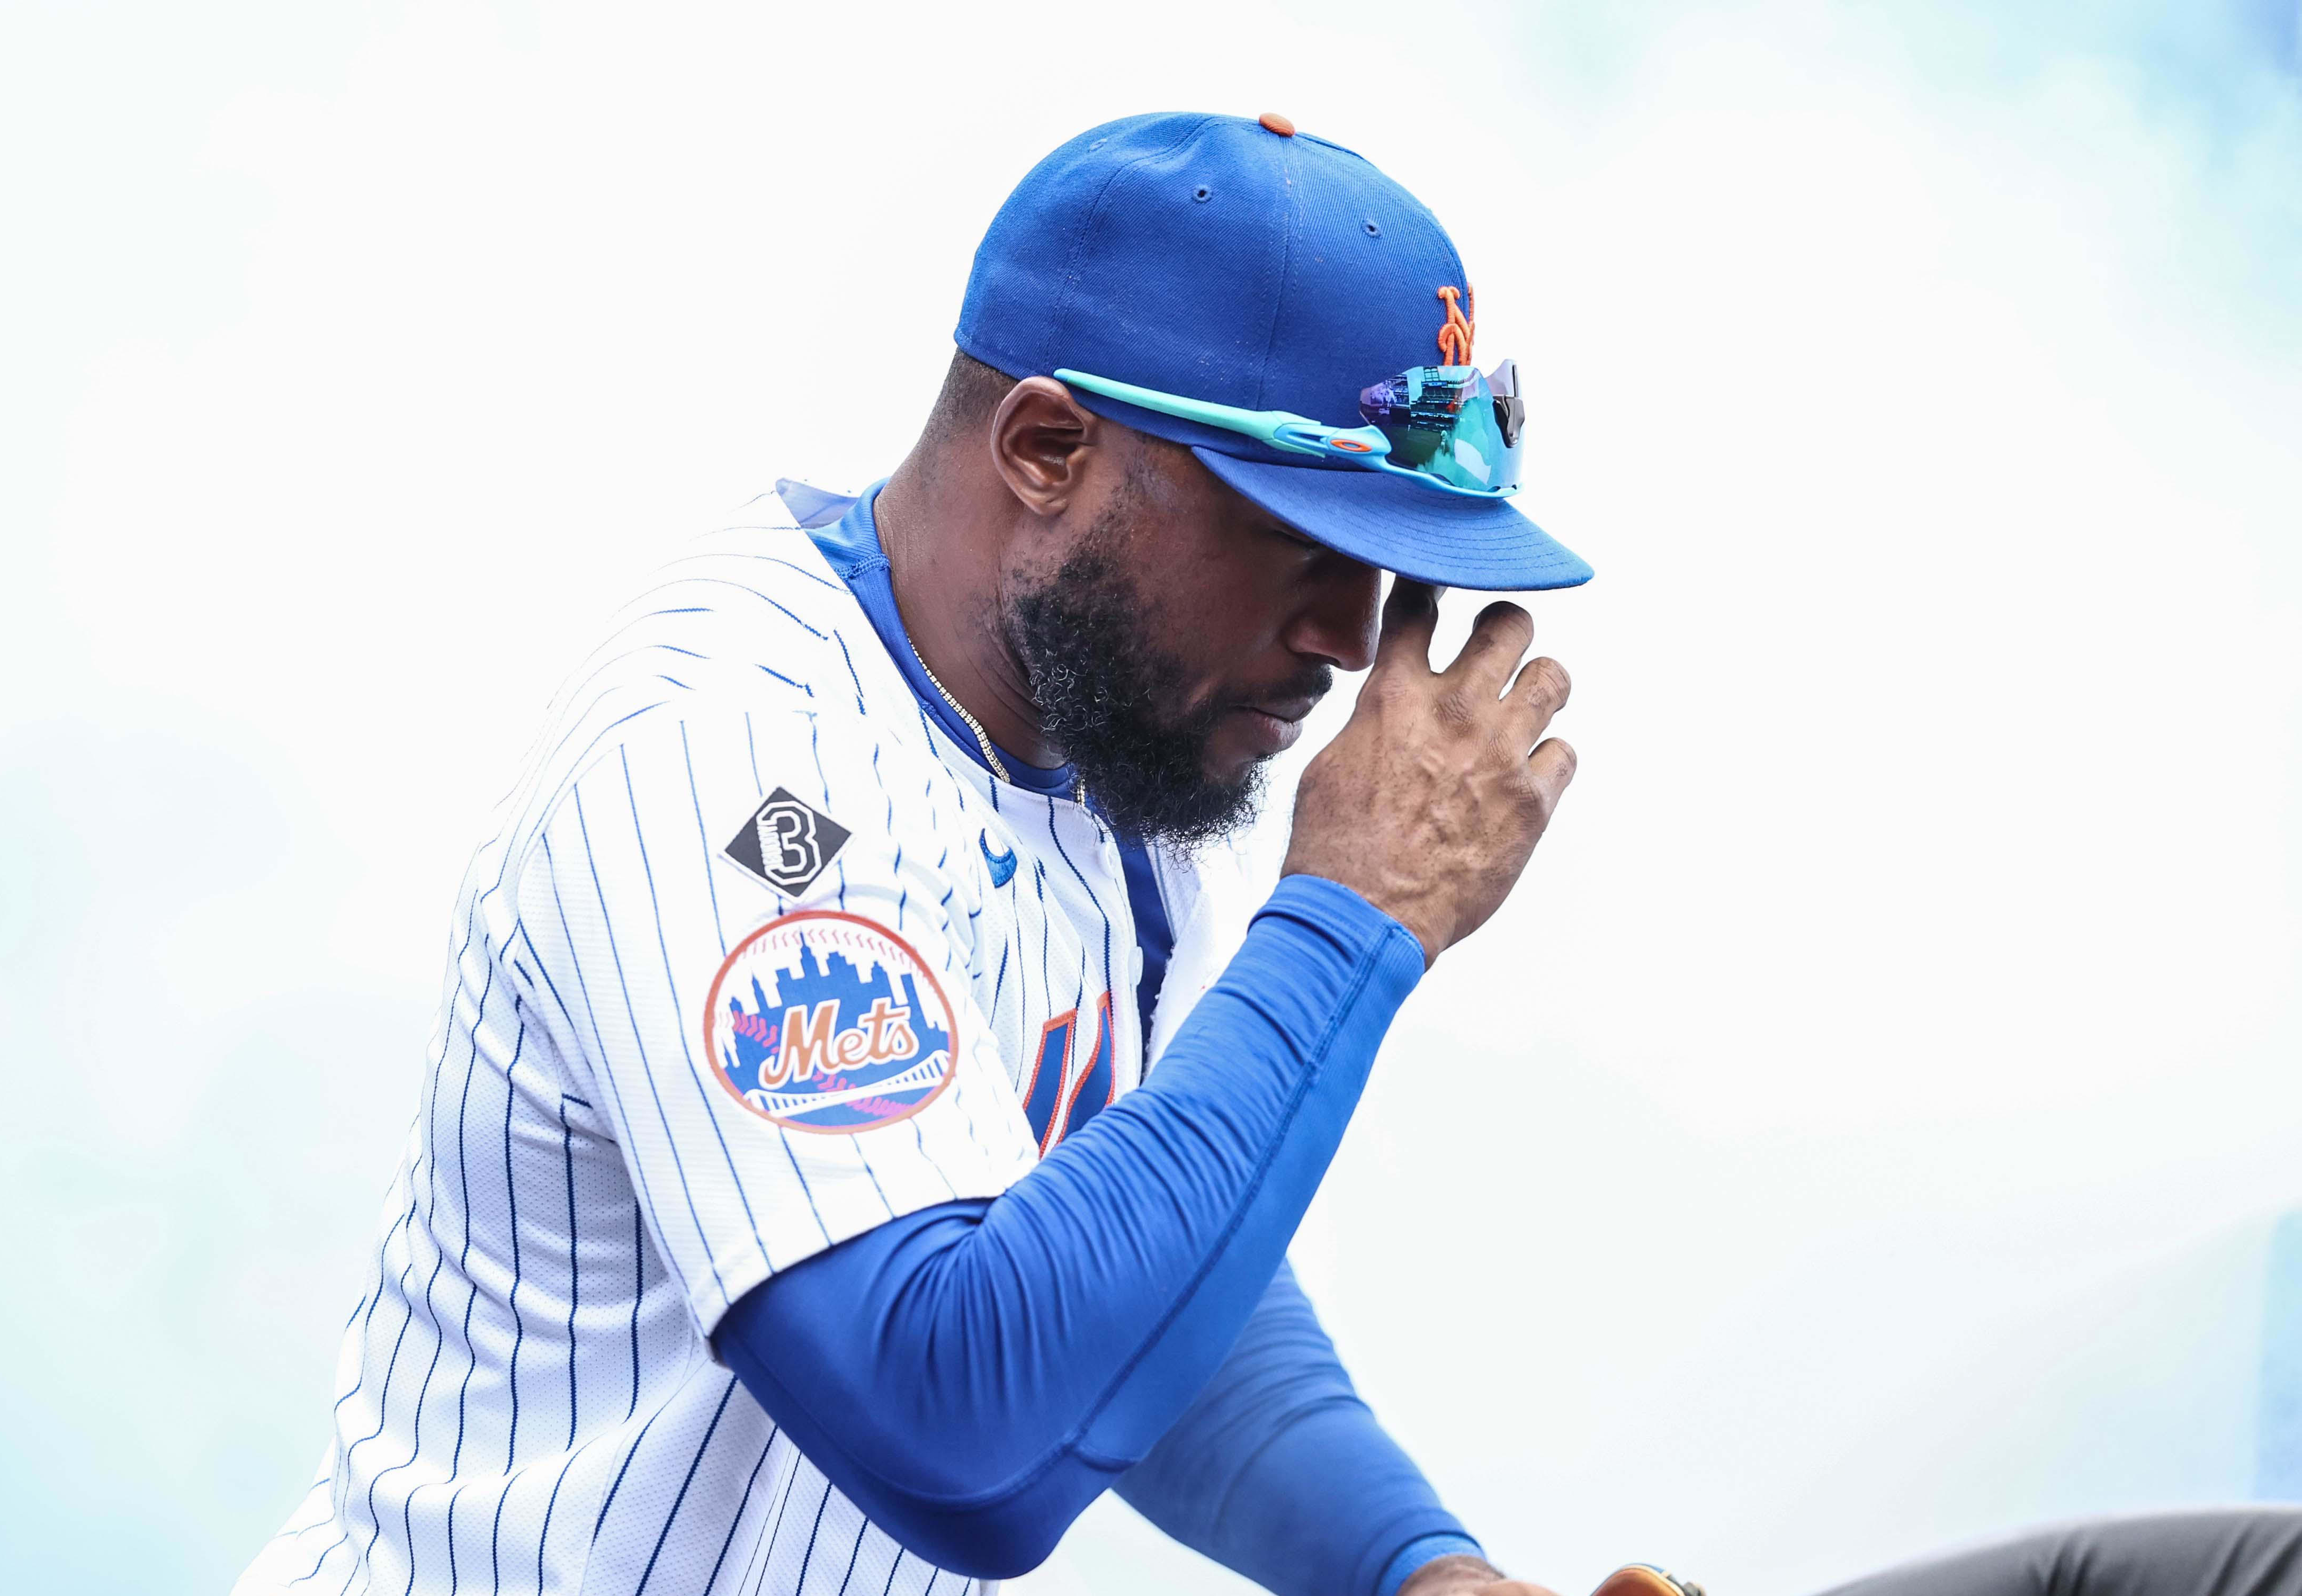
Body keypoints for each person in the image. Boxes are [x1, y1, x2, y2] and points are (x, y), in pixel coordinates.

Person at [235, 109, 1589, 1596]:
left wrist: (1414, 1568)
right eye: (1298, 540)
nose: (1348, 639)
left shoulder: (1112, 773)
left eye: (1383, 569)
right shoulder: (726, 755)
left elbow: (1146, 1283)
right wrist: (1352, 918)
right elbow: (959, 1433)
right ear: (1049, 449)